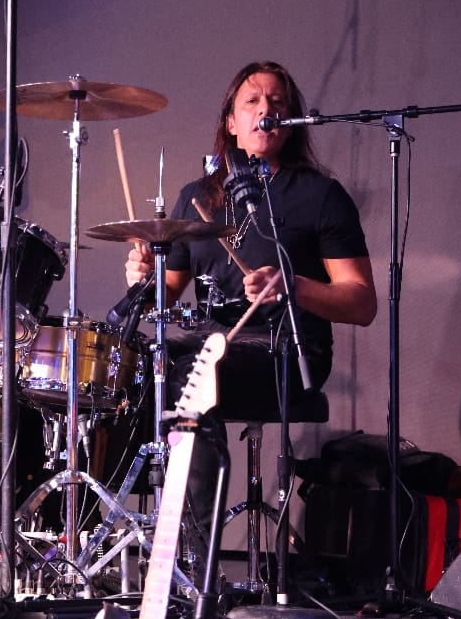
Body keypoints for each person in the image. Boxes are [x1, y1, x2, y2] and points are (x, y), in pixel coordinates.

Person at [123, 61, 378, 588]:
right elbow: (165, 294)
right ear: (231, 122)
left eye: (278, 103)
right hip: (211, 347)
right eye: (253, 102)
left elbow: (361, 303)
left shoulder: (319, 195)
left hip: (289, 353)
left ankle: (194, 574)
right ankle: (137, 541)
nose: (267, 111)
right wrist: (143, 276)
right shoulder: (199, 197)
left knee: (192, 377)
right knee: (142, 369)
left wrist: (293, 285)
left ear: (293, 120)